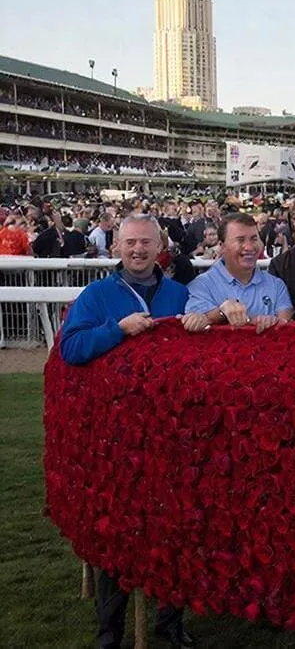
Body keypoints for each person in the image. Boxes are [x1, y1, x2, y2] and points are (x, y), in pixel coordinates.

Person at [58, 214, 195, 649]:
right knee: (118, 536)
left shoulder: (179, 294)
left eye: (146, 244)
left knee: (175, 531)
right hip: (117, 440)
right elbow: (71, 349)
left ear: (161, 247)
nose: (138, 250)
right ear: (117, 246)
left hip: (172, 436)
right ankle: (109, 632)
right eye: (131, 243)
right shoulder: (97, 294)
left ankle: (170, 624)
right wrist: (116, 331)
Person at [181, 213, 293, 334]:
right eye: (240, 240)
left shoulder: (276, 285)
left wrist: (272, 323)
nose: (249, 247)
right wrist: (221, 312)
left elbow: (286, 328)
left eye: (254, 239)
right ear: (222, 246)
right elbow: (196, 322)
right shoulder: (200, 286)